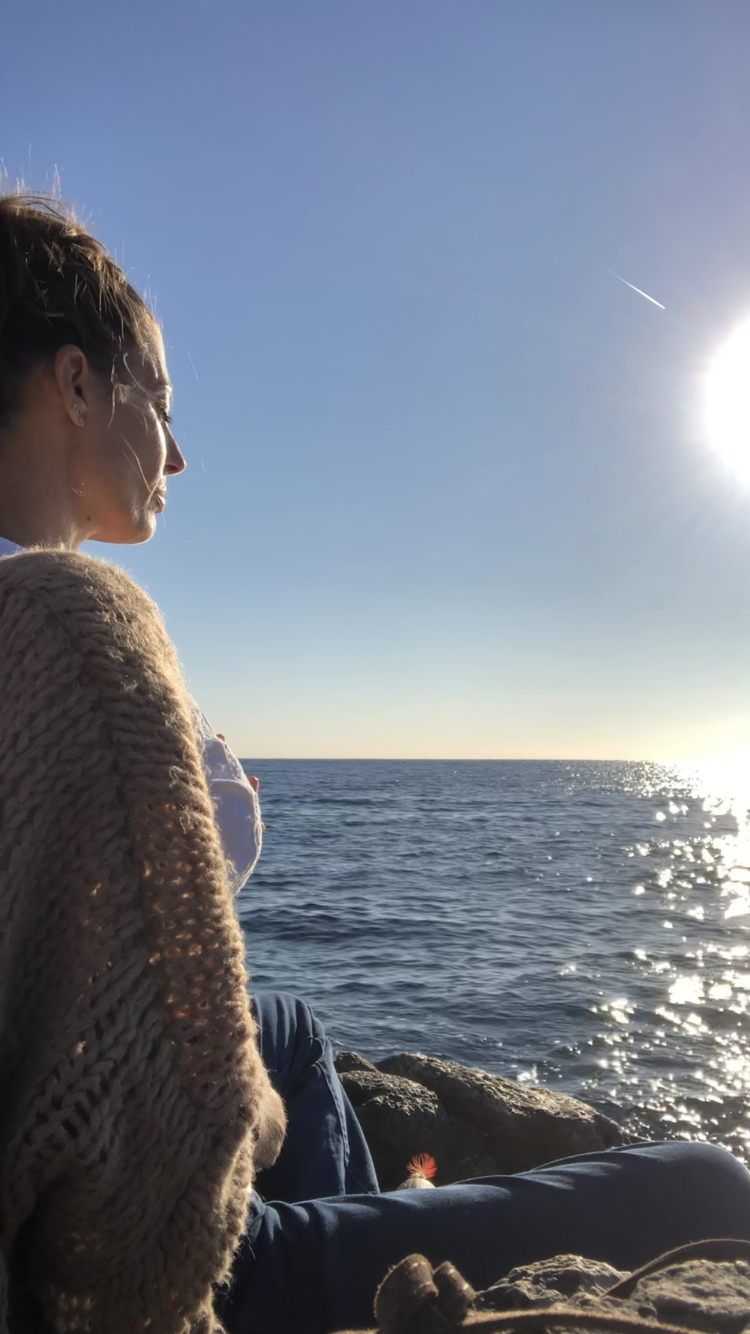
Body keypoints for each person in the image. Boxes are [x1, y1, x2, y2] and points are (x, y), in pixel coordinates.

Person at [2, 192, 750, 1334]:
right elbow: (172, 1128)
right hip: (129, 1261)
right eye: (159, 400)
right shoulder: (68, 625)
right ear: (75, 385)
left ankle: (366, 1240)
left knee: (293, 1028)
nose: (180, 451)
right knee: (712, 1181)